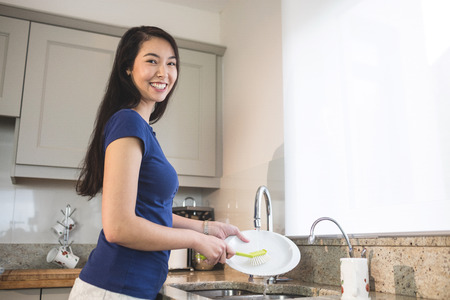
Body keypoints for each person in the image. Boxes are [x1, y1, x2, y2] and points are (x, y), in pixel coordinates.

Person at [69, 26, 248, 300]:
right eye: (152, 61)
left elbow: (149, 212)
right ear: (128, 67)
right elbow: (120, 227)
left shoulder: (141, 127)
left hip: (130, 289)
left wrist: (206, 228)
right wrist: (195, 240)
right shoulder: (128, 122)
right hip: (113, 289)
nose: (164, 72)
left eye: (171, 63)